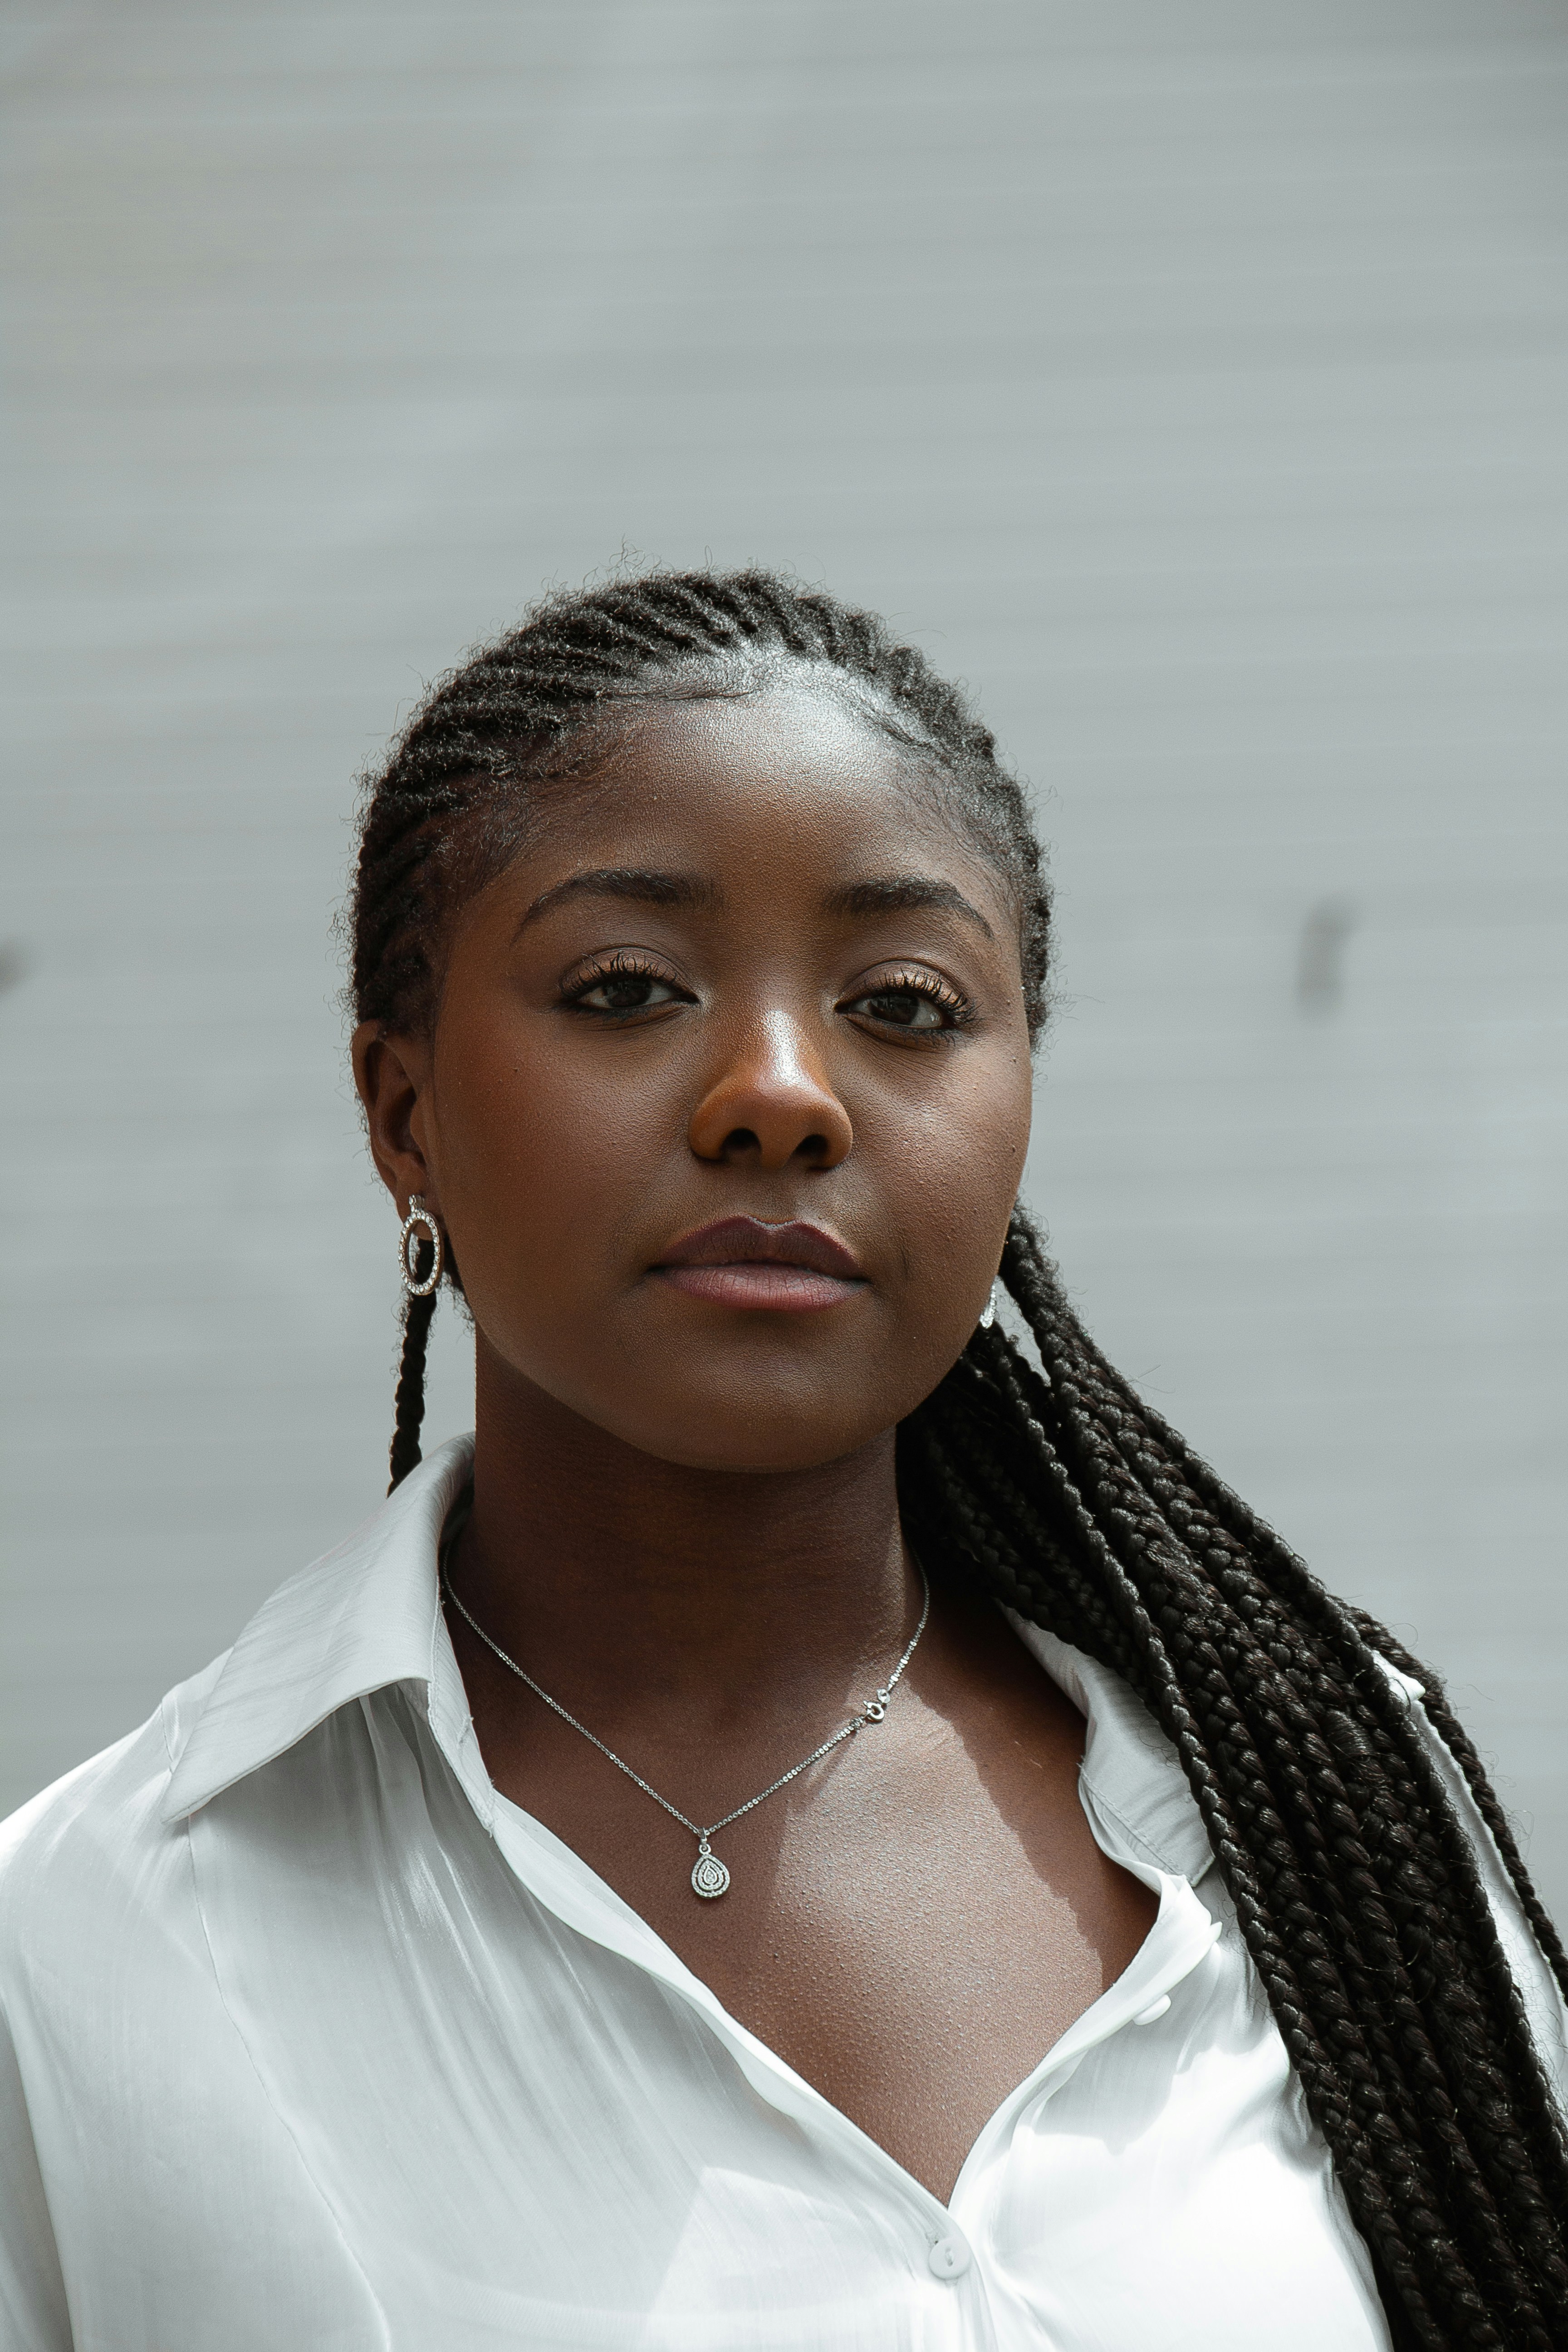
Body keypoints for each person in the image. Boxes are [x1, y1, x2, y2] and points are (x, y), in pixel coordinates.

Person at [1, 569, 1564, 2352]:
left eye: (902, 1005)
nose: (780, 1092)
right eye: (625, 986)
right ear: (403, 1113)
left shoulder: (1331, 1795)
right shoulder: (84, 1951)